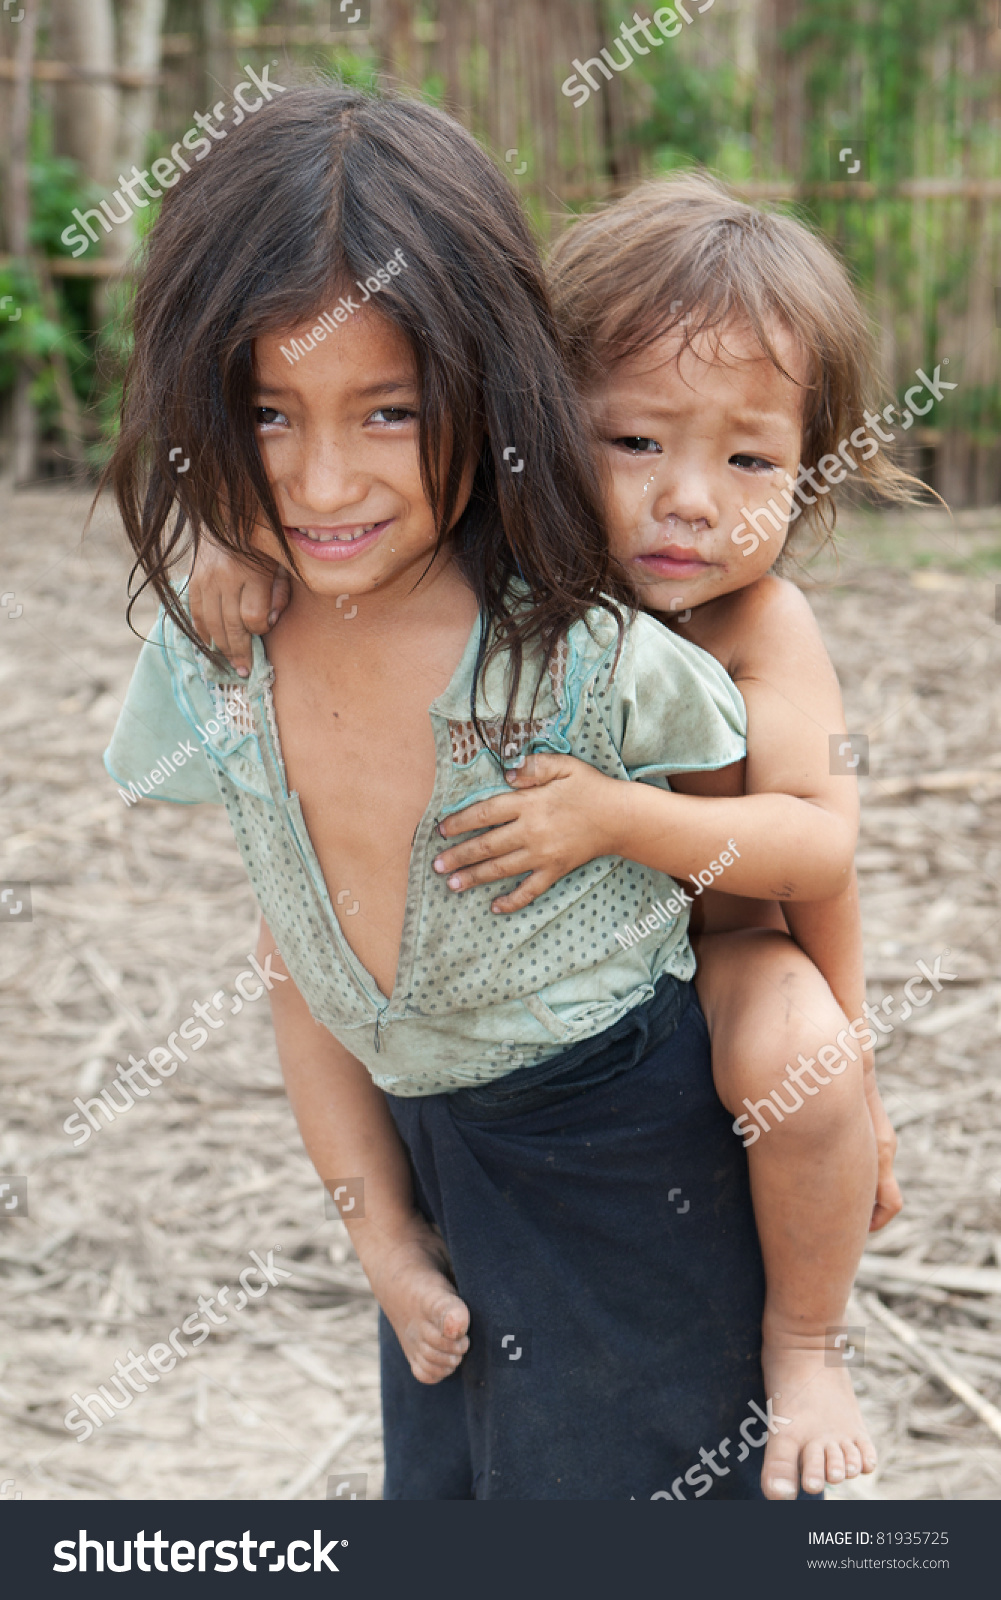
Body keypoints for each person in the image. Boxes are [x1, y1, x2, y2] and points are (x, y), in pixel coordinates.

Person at [184, 171, 916, 1501]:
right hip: (505, 1010)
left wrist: (622, 822)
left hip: (725, 934)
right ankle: (388, 1239)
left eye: (747, 459)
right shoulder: (519, 573)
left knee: (802, 1058)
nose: (688, 500)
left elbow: (816, 850)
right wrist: (244, 553)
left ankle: (807, 1347)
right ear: (529, 422)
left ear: (807, 467)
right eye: (631, 443)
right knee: (290, 943)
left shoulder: (764, 628)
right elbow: (347, 530)